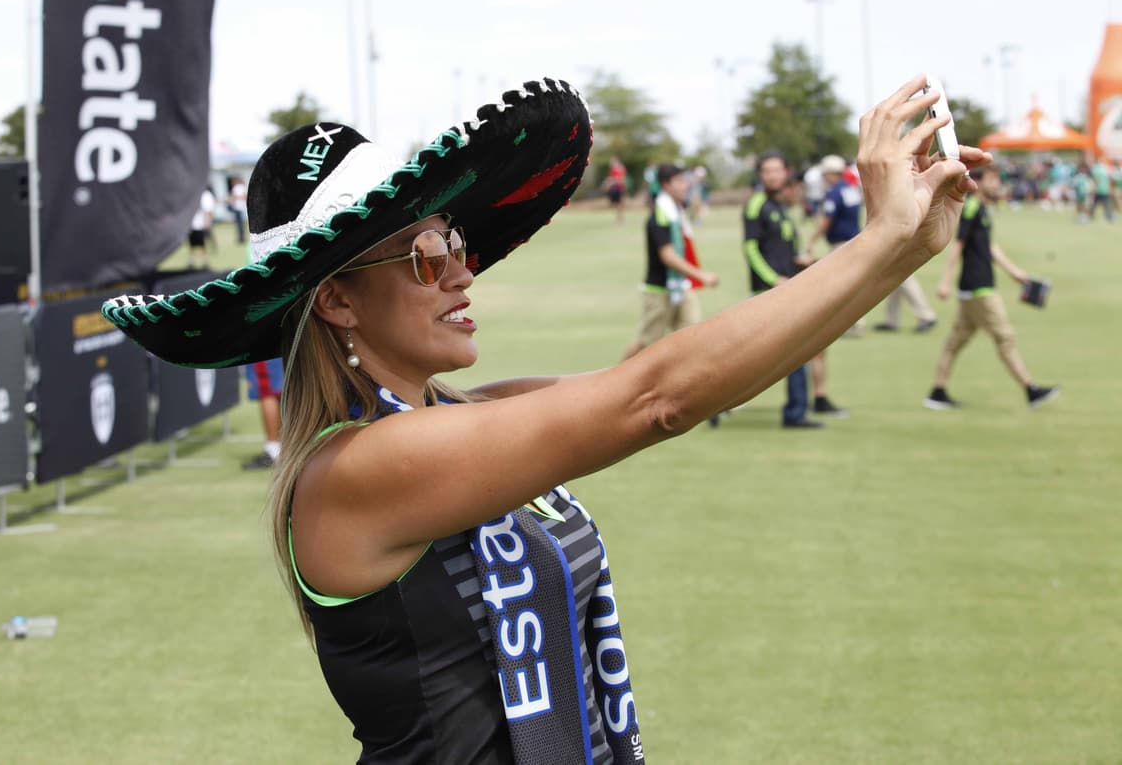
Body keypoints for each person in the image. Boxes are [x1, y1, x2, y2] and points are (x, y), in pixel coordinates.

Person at [104, 76, 986, 762]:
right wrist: (876, 241)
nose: (459, 269)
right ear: (336, 300)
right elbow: (656, 398)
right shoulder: (359, 471)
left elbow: (705, 377)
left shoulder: (468, 417)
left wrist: (906, 245)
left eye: (453, 239)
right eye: (423, 253)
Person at [924, 165, 1059, 410]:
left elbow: (989, 248)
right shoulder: (972, 207)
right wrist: (945, 282)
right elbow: (958, 245)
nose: (997, 184)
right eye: (993, 179)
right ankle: (1031, 390)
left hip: (975, 287)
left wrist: (1014, 272)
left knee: (955, 342)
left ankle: (937, 392)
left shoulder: (983, 208)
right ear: (978, 181)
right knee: (1004, 338)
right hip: (979, 288)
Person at [743, 154, 823, 428]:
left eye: (777, 170)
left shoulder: (780, 205)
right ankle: (794, 413)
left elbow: (782, 245)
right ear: (760, 175)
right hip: (769, 292)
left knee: (784, 354)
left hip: (789, 290)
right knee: (765, 356)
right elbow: (751, 249)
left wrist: (799, 261)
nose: (773, 176)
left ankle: (796, 411)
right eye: (767, 171)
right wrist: (773, 278)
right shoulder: (757, 205)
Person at [621, 163, 719, 361]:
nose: (686, 186)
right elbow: (668, 256)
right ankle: (613, 382)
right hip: (660, 291)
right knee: (646, 345)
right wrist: (701, 275)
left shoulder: (677, 212)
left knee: (694, 338)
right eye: (680, 181)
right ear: (666, 185)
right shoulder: (660, 215)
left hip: (682, 287)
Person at [802, 154, 861, 416]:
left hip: (841, 245)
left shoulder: (835, 194)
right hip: (857, 240)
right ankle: (856, 323)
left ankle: (851, 323)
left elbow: (827, 221)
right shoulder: (851, 189)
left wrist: (812, 240)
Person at [241, 357, 283, 470]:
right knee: (281, 388)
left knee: (267, 391)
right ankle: (286, 445)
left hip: (266, 346)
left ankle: (273, 450)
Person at [188, 187, 216, 269]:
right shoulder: (194, 195)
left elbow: (208, 210)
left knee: (203, 244)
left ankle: (205, 261)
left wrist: (207, 223)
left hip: (201, 224)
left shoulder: (205, 195)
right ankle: (191, 261)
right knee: (192, 244)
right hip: (193, 224)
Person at [604, 156, 627, 224]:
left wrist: (611, 182)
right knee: (616, 204)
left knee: (619, 204)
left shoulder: (620, 169)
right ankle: (619, 218)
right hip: (614, 188)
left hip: (618, 188)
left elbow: (620, 179)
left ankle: (621, 218)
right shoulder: (613, 169)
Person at [228, 175, 249, 243]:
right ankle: (242, 237)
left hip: (238, 207)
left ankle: (241, 238)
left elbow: (233, 197)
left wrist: (234, 199)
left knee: (239, 224)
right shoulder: (243, 187)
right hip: (241, 207)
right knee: (241, 224)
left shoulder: (236, 188)